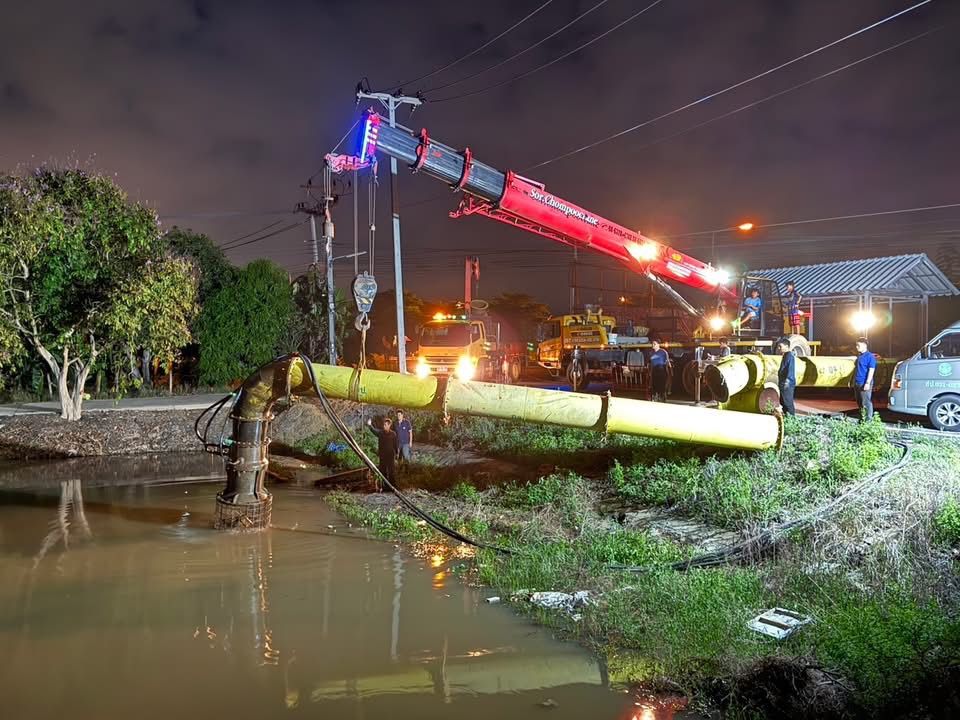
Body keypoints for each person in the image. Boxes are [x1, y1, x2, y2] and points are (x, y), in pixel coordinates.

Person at [366, 416, 398, 487]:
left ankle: (392, 485)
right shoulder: (380, 433)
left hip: (390, 455)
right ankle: (384, 485)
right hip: (382, 455)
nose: (384, 426)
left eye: (386, 425)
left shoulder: (393, 434)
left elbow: (395, 445)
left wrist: (396, 454)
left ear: (389, 425)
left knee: (391, 471)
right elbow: (374, 431)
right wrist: (369, 425)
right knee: (382, 470)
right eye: (384, 425)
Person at [854, 337, 877, 422]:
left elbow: (871, 370)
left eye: (858, 345)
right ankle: (862, 418)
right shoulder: (859, 356)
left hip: (864, 382)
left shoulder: (870, 356)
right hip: (857, 382)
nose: (857, 347)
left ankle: (868, 421)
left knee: (866, 402)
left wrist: (867, 383)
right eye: (856, 345)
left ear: (864, 345)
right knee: (859, 402)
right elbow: (857, 369)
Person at [777, 337, 796, 416]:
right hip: (784, 383)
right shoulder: (786, 356)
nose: (779, 348)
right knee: (784, 402)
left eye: (780, 346)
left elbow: (790, 369)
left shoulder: (789, 356)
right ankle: (787, 417)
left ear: (787, 347)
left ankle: (791, 419)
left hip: (787, 383)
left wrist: (786, 382)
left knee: (788, 403)